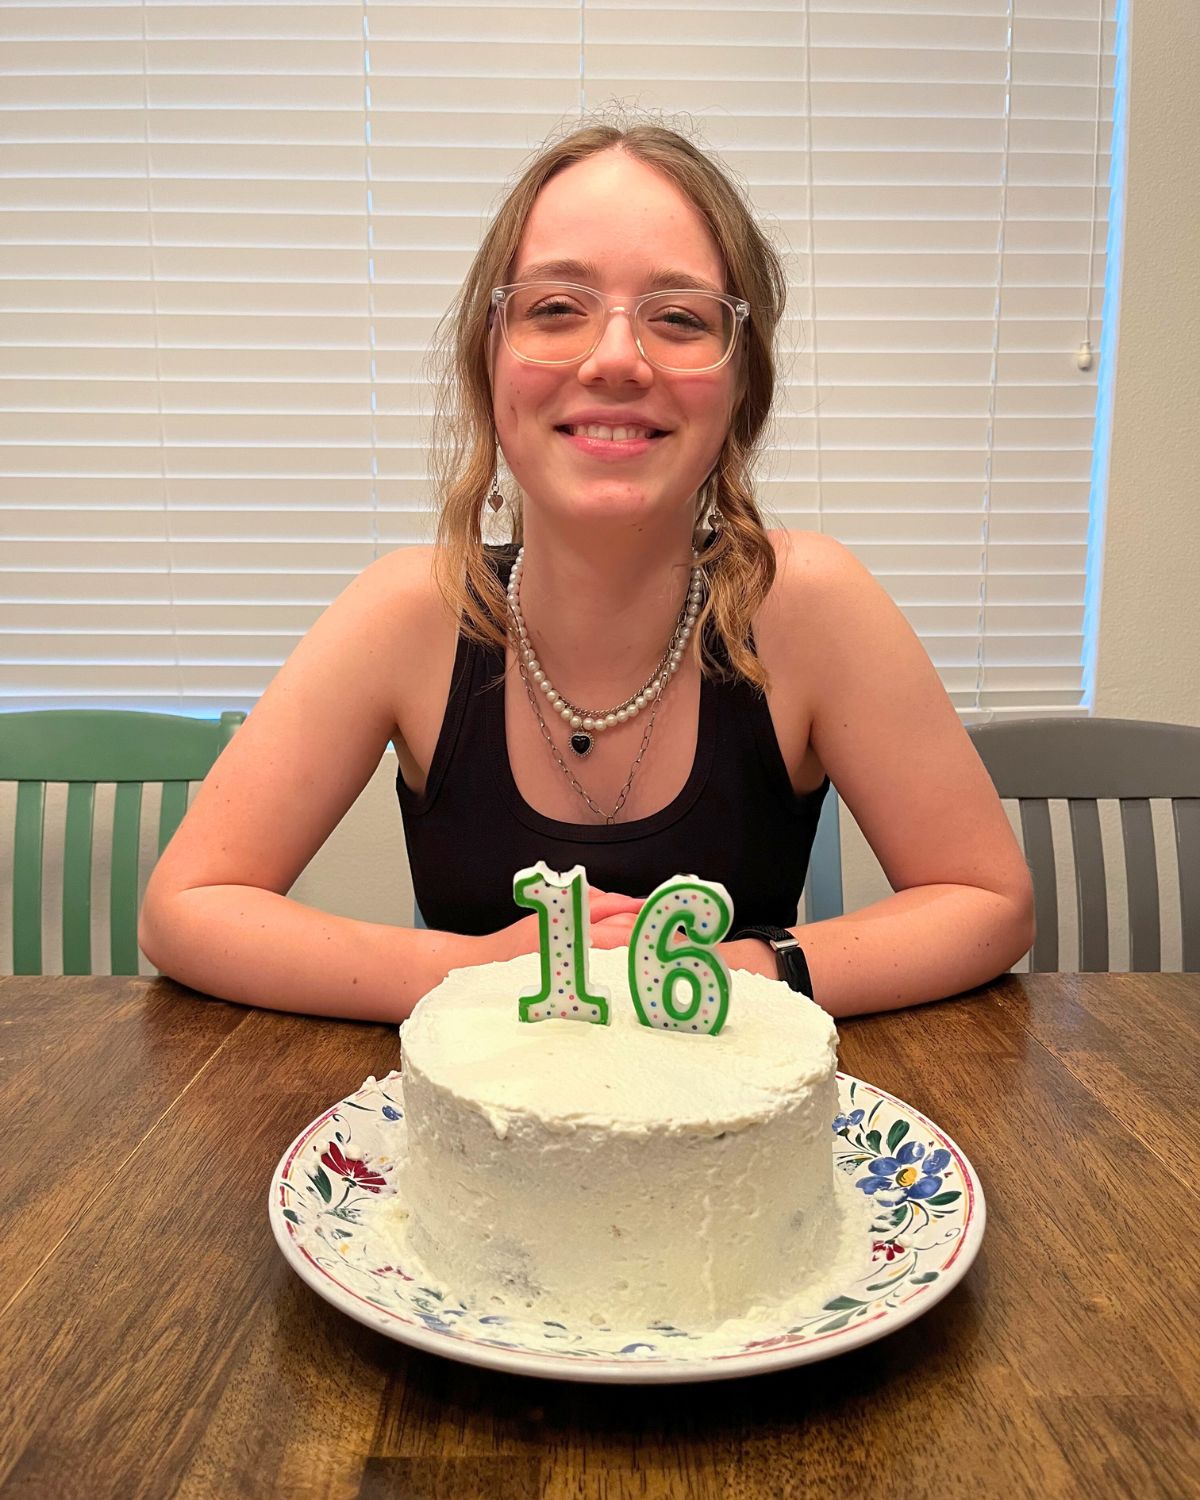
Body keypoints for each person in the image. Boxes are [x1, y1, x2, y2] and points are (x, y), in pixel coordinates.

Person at [138, 116, 1035, 1022]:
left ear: (740, 384)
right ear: (487, 362)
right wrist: (473, 971)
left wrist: (745, 973)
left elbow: (986, 902)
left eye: (679, 318)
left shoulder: (810, 603)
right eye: (557, 309)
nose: (614, 359)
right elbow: (188, 909)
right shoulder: (410, 610)